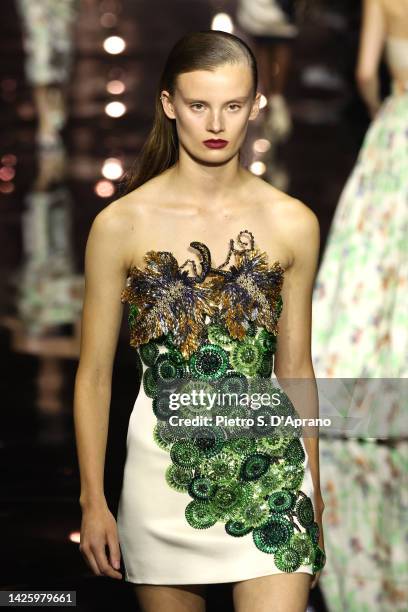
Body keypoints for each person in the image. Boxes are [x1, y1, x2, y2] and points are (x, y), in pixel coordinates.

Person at [74, 30, 325, 612]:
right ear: (168, 104)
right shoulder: (121, 225)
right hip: (161, 480)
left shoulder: (292, 223)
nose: (217, 122)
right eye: (198, 104)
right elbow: (93, 376)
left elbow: (296, 369)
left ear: (255, 106)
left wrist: (316, 493)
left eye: (233, 105)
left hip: (273, 477)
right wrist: (93, 501)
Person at [312, 1, 408, 610]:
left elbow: (367, 71)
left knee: (377, 247)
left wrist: (385, 113)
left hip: (399, 126)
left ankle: (366, 370)